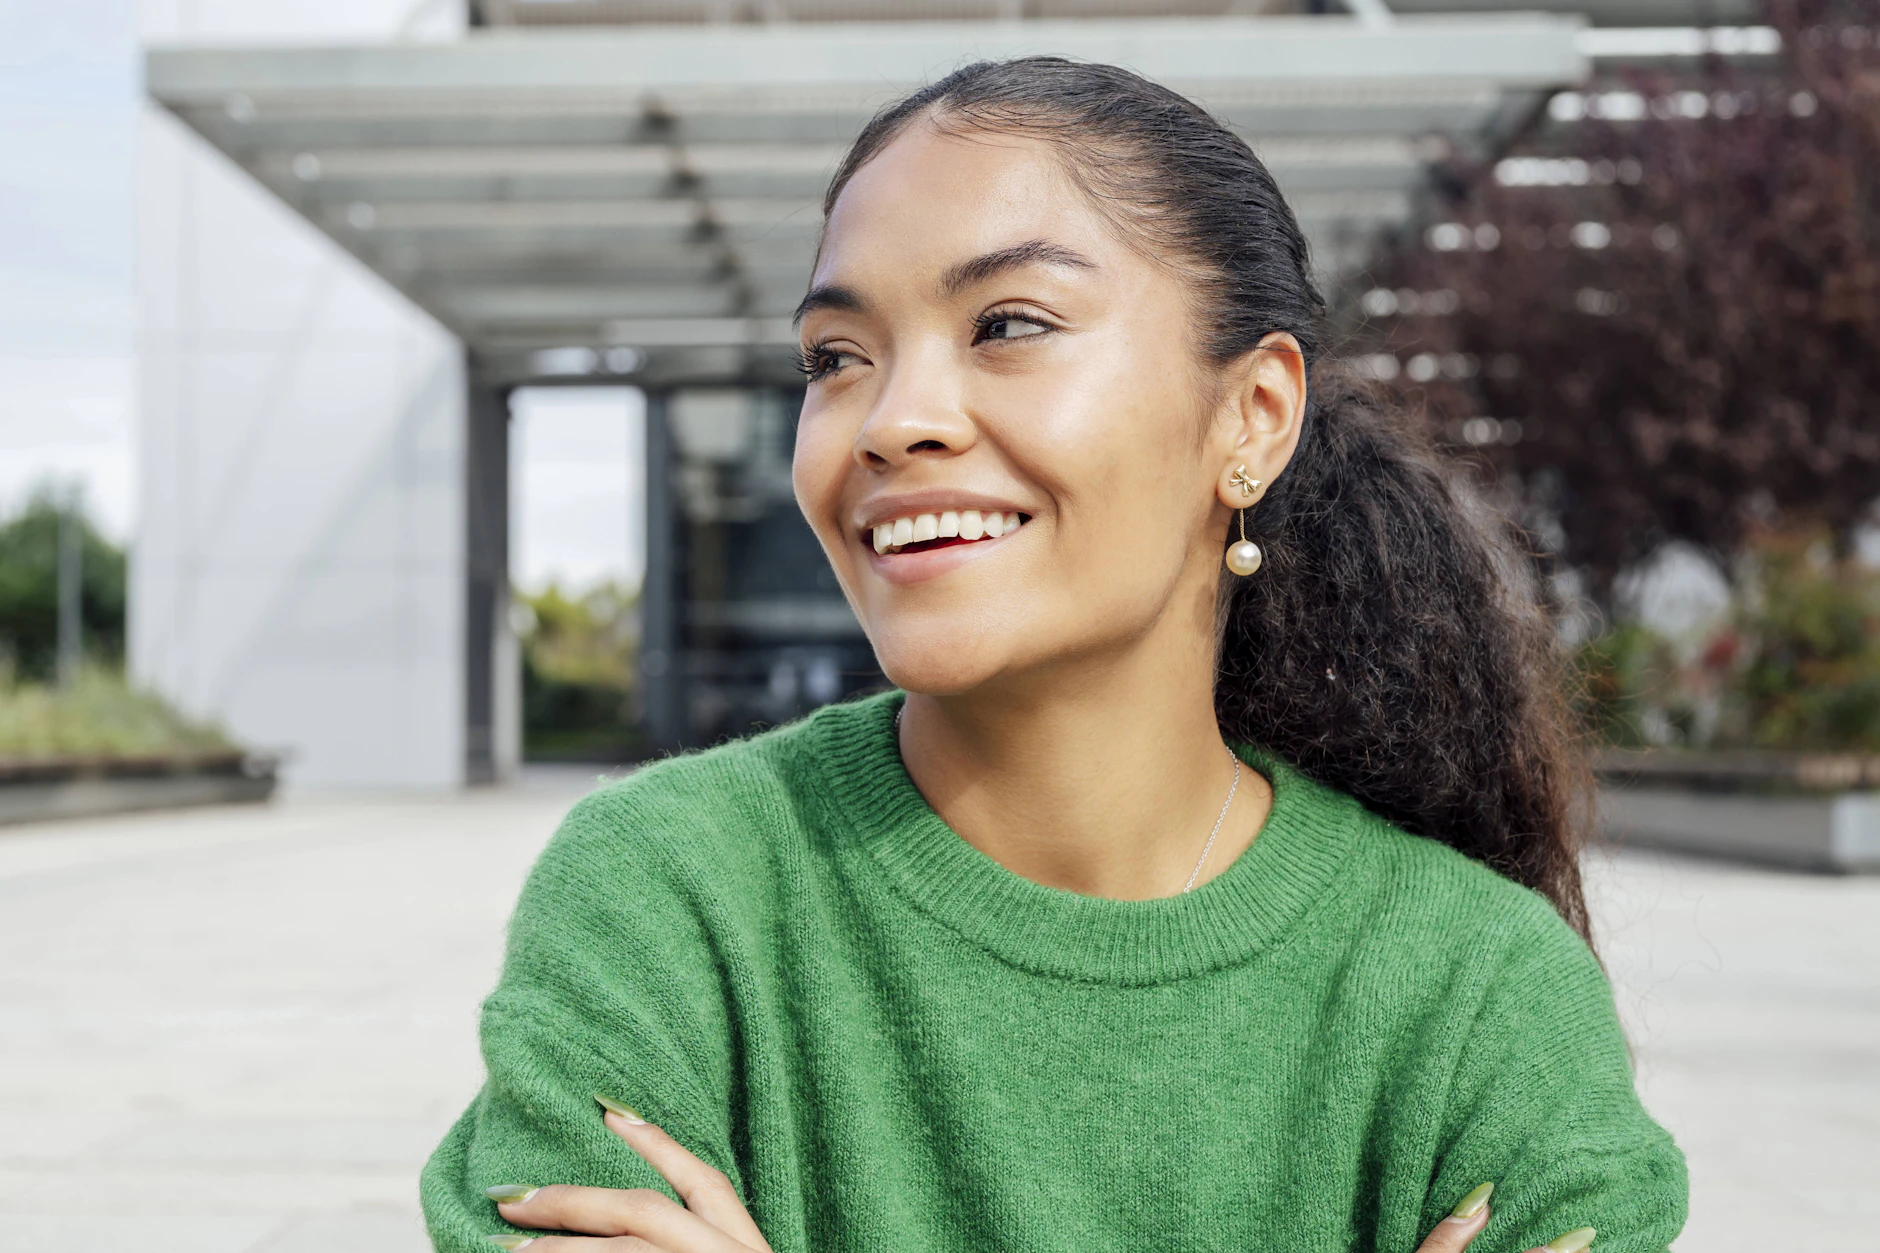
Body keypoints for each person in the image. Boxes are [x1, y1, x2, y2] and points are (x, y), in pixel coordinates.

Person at [420, 58, 1687, 1253]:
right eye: (835, 358)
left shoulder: (1478, 995)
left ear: (1251, 417)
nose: (894, 419)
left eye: (1007, 323)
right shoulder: (669, 895)